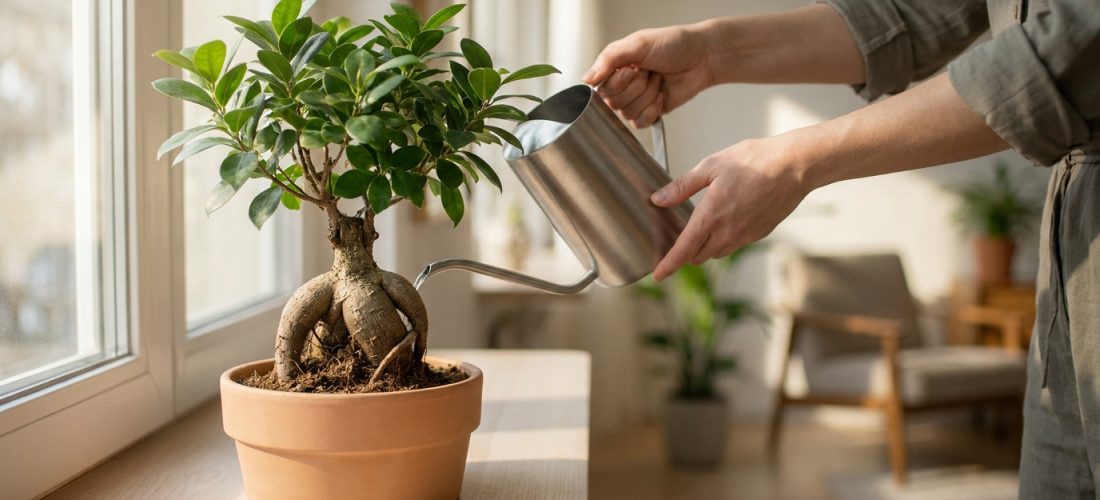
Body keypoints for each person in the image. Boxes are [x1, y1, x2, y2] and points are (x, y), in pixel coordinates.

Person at [584, 1, 1099, 497]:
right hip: (1066, 272)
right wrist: (711, 51)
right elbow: (906, 15)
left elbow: (1071, 49)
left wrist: (797, 161)